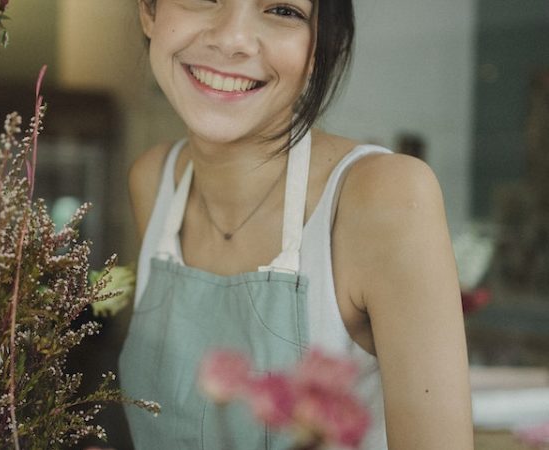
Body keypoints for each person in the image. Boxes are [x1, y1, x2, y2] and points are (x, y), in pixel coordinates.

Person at [118, 0, 474, 449]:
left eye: (283, 9)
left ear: (321, 49)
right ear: (149, 12)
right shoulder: (154, 181)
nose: (232, 39)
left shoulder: (385, 196)